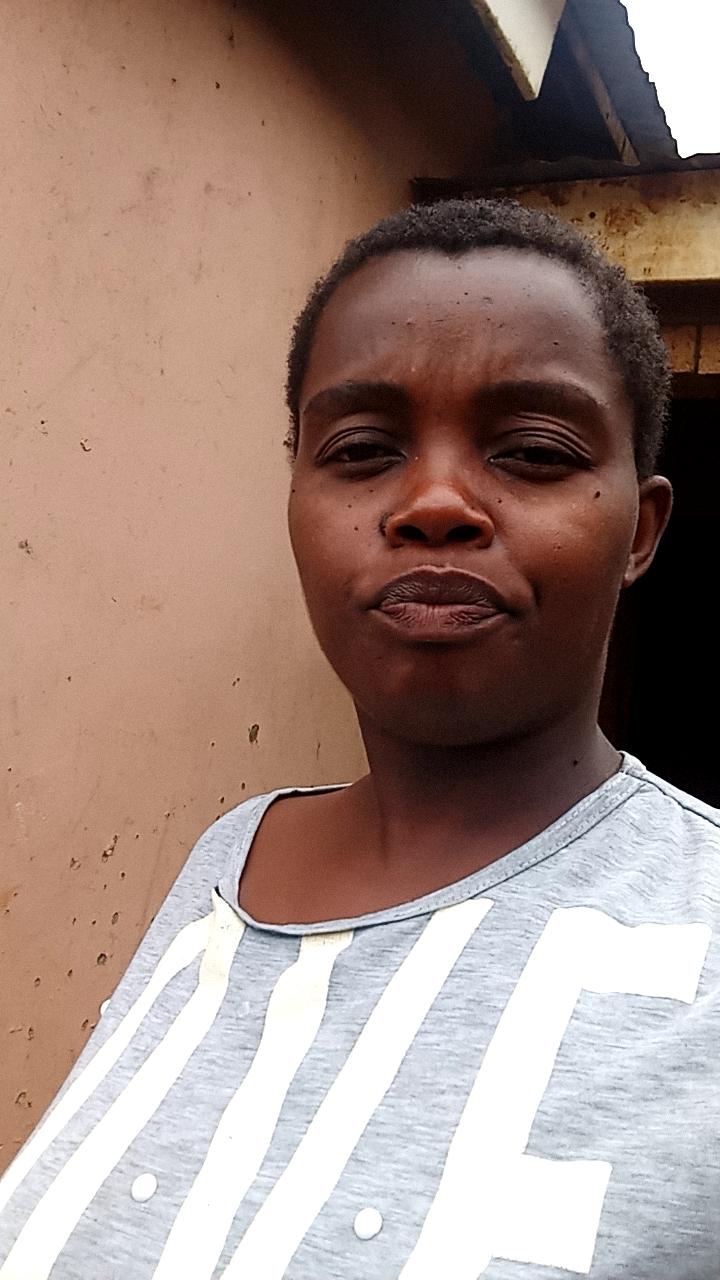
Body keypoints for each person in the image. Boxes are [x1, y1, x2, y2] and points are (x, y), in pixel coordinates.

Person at [1, 198, 719, 1280]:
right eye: (363, 449)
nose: (433, 503)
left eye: (533, 451)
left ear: (641, 530)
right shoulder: (228, 861)